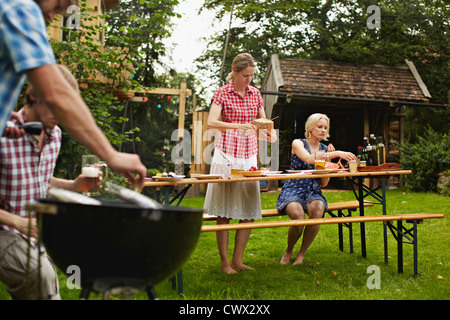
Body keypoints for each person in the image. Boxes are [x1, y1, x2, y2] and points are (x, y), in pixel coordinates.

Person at [0, 0, 147, 187]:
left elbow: (39, 182)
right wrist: (111, 155)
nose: (53, 16)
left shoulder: (54, 136)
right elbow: (56, 93)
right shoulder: (20, 9)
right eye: (60, 5)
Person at [0, 65, 104, 300]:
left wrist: (73, 186)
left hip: (31, 231)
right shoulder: (4, 135)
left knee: (50, 283)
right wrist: (17, 221)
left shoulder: (54, 135)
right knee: (40, 275)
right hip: (4, 228)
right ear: (34, 96)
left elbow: (37, 181)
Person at [204, 53, 275, 274]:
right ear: (235, 72)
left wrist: (265, 130)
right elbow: (211, 122)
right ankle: (225, 263)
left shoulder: (255, 94)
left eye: (251, 75)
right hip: (226, 155)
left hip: (248, 156)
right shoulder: (222, 93)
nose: (249, 80)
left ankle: (238, 261)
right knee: (224, 212)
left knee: (248, 210)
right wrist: (239, 126)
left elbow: (263, 123)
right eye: (245, 75)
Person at [276, 113, 357, 266]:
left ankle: (302, 253)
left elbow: (324, 183)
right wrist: (337, 153)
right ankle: (289, 250)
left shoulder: (326, 149)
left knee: (318, 211)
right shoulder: (297, 143)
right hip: (294, 187)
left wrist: (329, 163)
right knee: (298, 217)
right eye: (319, 127)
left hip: (313, 190)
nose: (322, 130)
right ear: (310, 127)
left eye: (325, 128)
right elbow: (307, 158)